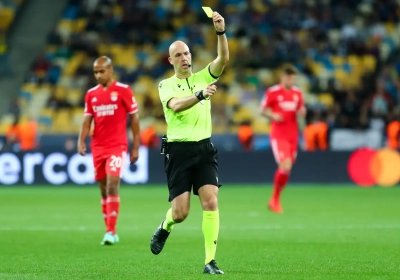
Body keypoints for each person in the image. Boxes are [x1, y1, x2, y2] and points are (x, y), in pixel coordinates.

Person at [149, 11, 229, 275]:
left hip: (204, 148)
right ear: (170, 60)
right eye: (179, 55)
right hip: (178, 151)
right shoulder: (165, 85)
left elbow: (223, 59)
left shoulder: (203, 76)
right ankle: (165, 226)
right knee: (181, 212)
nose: (185, 58)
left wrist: (220, 31)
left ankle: (210, 261)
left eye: (187, 54)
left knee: (211, 201)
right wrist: (200, 95)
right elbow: (177, 106)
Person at [78, 56, 140, 245]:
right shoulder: (91, 94)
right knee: (104, 189)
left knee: (113, 184)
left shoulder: (124, 91)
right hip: (98, 147)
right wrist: (81, 140)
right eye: (95, 72)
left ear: (111, 70)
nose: (98, 75)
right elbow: (87, 120)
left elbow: (134, 120)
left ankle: (110, 231)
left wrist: (136, 146)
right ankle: (109, 229)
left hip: (117, 146)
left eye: (101, 71)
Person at [260, 64, 306, 214]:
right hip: (279, 135)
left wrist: (302, 113)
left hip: (293, 136)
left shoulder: (297, 93)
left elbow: (300, 111)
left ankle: (274, 199)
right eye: (289, 77)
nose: (291, 80)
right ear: (282, 77)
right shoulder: (273, 92)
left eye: (293, 78)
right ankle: (275, 199)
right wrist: (273, 115)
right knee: (285, 165)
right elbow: (262, 110)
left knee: (287, 169)